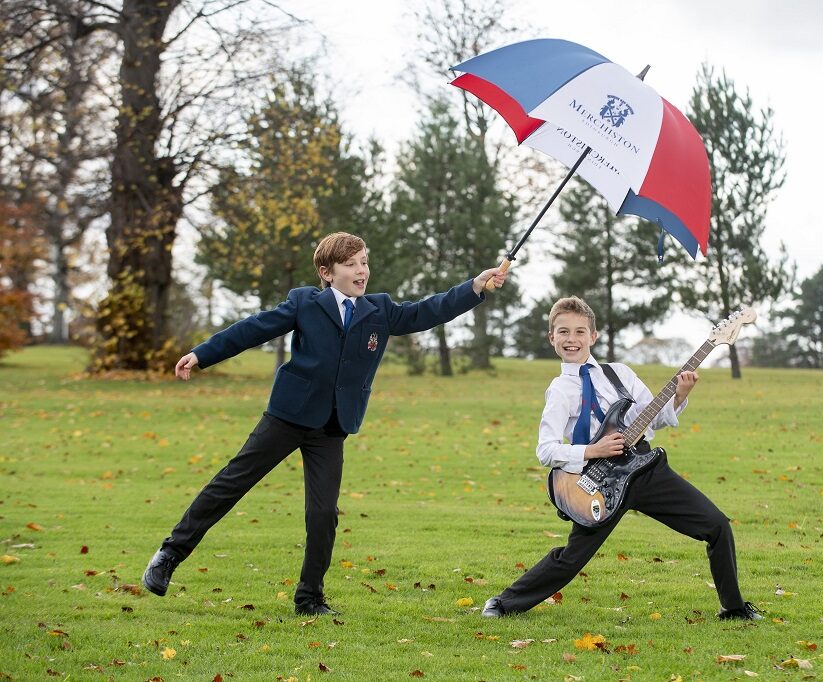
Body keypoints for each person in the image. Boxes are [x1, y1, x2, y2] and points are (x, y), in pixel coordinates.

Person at [142, 231, 507, 616]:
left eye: (364, 262)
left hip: (332, 425)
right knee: (231, 483)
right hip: (288, 415)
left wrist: (475, 286)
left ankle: (310, 598)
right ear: (327, 272)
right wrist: (202, 354)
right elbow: (252, 329)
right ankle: (169, 554)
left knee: (323, 514)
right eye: (350, 265)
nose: (361, 271)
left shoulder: (380, 311)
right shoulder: (304, 302)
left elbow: (429, 310)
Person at [481, 296, 761, 621]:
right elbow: (546, 450)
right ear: (552, 338)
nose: (572, 339)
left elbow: (650, 417)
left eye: (580, 332)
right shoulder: (560, 391)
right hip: (600, 482)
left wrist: (679, 397)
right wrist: (592, 450)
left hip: (645, 470)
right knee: (572, 557)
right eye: (564, 332)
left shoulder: (619, 374)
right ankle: (503, 604)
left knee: (716, 526)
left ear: (593, 336)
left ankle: (734, 608)